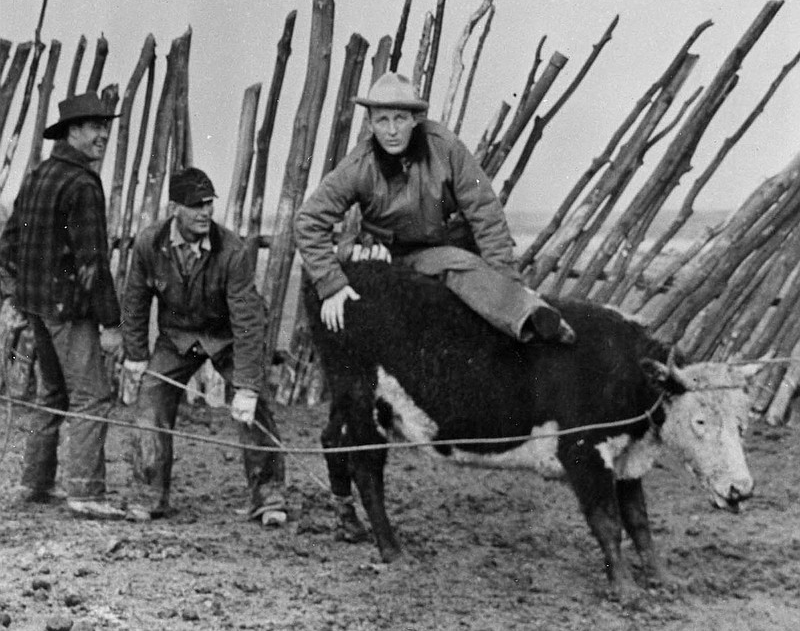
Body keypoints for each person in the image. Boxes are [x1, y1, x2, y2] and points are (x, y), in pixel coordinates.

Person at [294, 71, 574, 539]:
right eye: (381, 119)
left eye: (400, 119)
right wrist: (330, 283)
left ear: (416, 120)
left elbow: (485, 212)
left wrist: (505, 285)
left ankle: (529, 318)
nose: (391, 130)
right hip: (385, 254)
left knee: (464, 270)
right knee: (368, 302)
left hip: (440, 248)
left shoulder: (446, 149)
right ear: (370, 123)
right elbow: (310, 220)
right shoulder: (359, 165)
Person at [121, 167, 286, 525]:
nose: (205, 213)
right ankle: (150, 496)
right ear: (174, 207)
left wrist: (246, 386)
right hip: (176, 338)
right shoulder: (150, 243)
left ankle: (269, 497)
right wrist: (135, 356)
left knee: (254, 410)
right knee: (150, 401)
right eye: (196, 205)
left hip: (225, 336)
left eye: (209, 204)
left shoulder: (233, 251)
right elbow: (134, 302)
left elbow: (247, 319)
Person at [0, 91, 126, 519]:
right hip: (68, 311)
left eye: (105, 127)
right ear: (72, 132)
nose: (103, 134)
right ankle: (86, 493)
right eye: (94, 127)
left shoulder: (38, 176)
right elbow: (92, 263)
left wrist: (16, 294)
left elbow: (10, 242)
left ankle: (34, 482)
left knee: (52, 392)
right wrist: (111, 325)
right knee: (92, 396)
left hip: (36, 307)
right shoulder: (82, 185)